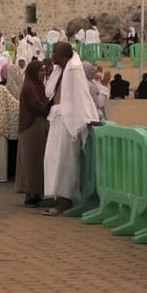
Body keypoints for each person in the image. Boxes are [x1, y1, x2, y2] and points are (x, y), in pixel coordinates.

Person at [42, 43, 99, 215]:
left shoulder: (74, 69)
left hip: (68, 122)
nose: (52, 55)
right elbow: (52, 93)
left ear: (62, 54)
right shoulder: (60, 70)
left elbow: (81, 96)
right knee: (52, 159)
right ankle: (58, 198)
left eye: (54, 53)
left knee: (65, 162)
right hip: (57, 118)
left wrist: (89, 117)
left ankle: (65, 200)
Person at [14, 59, 49, 206]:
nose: (43, 73)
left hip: (37, 128)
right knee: (30, 161)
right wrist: (51, 104)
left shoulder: (38, 85)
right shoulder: (30, 87)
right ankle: (29, 194)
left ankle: (36, 192)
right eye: (40, 70)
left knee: (37, 161)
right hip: (31, 129)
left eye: (44, 70)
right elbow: (37, 107)